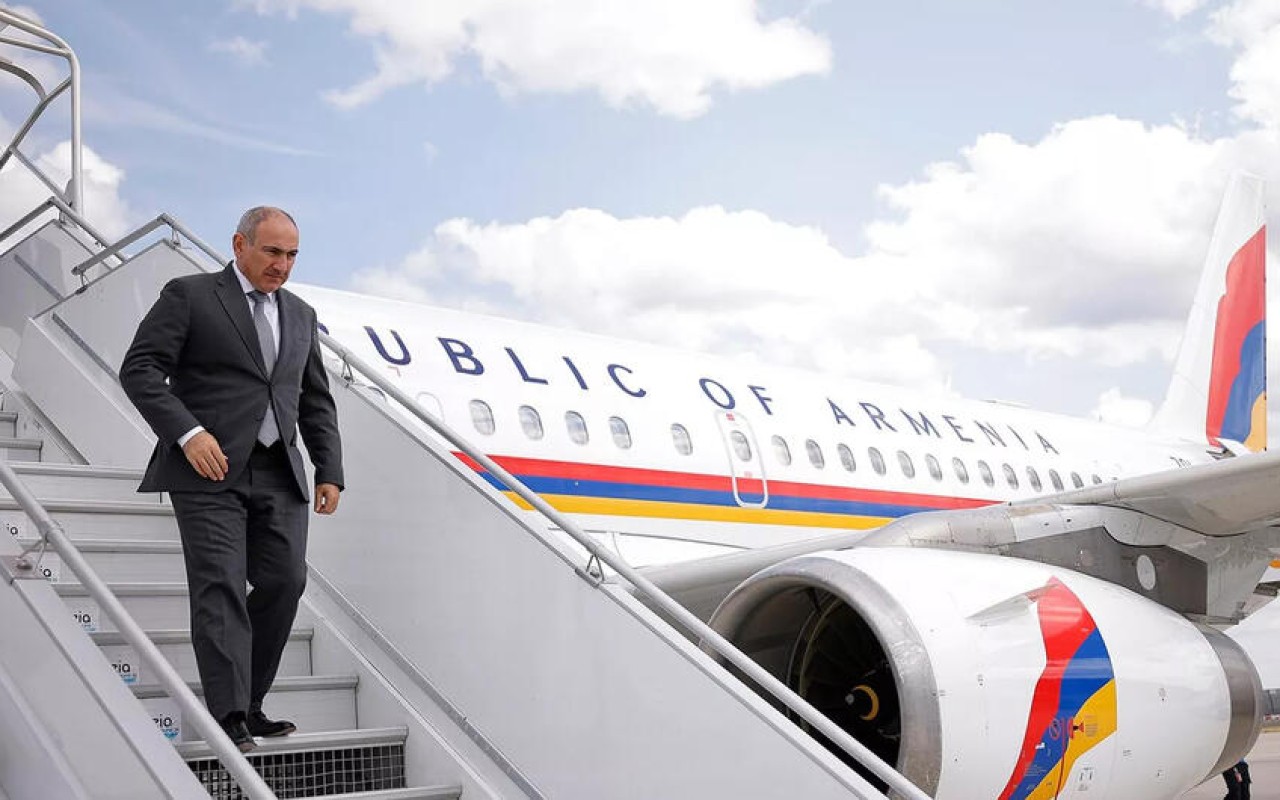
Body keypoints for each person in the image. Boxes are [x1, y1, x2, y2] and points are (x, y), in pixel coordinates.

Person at [120, 206, 343, 752]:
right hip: (208, 468)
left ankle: (252, 700)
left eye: (291, 255)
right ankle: (230, 714)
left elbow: (314, 399)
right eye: (272, 252)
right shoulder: (191, 295)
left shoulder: (301, 314)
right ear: (240, 245)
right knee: (220, 583)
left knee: (285, 581)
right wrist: (188, 433)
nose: (282, 265)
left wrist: (329, 469)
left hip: (279, 470)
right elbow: (140, 369)